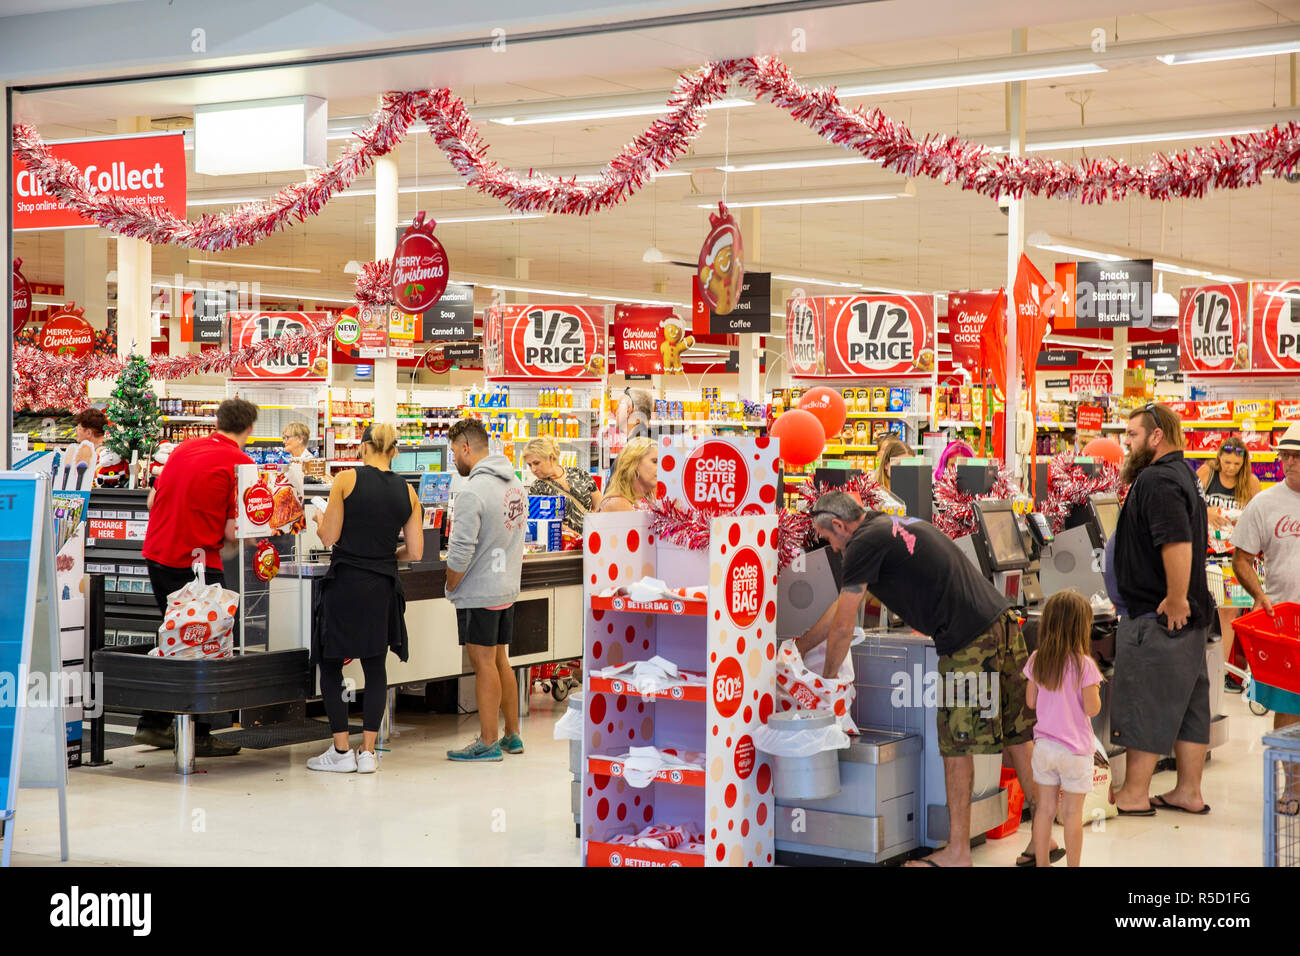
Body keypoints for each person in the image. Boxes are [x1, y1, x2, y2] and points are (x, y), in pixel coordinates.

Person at [799, 491, 1053, 867]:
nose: (833, 549)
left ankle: (958, 852)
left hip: (967, 640)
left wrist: (825, 684)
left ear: (839, 525)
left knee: (956, 746)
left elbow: (842, 628)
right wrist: (800, 646)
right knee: (1018, 735)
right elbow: (841, 605)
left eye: (829, 539)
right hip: (1002, 623)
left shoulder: (861, 544)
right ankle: (1042, 841)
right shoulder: (886, 525)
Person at [137, 397, 260, 757]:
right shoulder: (241, 463)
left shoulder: (182, 450)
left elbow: (150, 502)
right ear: (250, 429)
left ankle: (155, 724)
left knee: (175, 639)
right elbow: (235, 530)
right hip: (196, 564)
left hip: (157, 554)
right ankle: (200, 734)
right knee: (206, 644)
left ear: (218, 421)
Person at [1112, 402, 1213, 816]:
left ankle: (1135, 793)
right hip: (1187, 619)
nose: (1127, 443)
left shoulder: (1156, 479)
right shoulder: (1183, 474)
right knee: (1189, 704)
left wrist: (1174, 598)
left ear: (1156, 436)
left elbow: (1176, 542)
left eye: (1133, 435)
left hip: (1161, 615)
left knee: (1147, 699)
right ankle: (1188, 790)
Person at [307, 424, 423, 773]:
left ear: (363, 447)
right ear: (394, 451)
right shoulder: (408, 492)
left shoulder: (346, 479)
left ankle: (341, 752)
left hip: (346, 583)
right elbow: (415, 551)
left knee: (331, 663)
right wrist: (386, 558)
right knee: (375, 667)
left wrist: (318, 516)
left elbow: (329, 536)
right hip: (382, 587)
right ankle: (369, 752)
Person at [444, 418, 527, 762]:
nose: (454, 461)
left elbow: (461, 550)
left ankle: (488, 742)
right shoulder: (515, 483)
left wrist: (450, 584)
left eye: (453, 453)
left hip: (479, 589)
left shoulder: (472, 492)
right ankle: (512, 735)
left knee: (483, 663)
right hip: (506, 585)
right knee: (501, 659)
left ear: (466, 448)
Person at [1231, 422, 1300, 801]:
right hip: (1284, 627)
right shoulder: (1265, 504)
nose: (1288, 461)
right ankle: (1291, 790)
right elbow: (1241, 557)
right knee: (1289, 710)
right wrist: (1258, 594)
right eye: (1284, 454)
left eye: (1296, 455)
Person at [1023, 591, 1103, 867]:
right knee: (1071, 815)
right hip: (1076, 752)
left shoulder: (1037, 660)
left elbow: (1031, 702)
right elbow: (1092, 709)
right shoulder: (1085, 666)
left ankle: (1042, 863)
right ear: (1081, 627)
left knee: (1043, 811)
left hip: (1044, 748)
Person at [1196, 436, 1262, 691]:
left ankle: (1223, 671)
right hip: (1206, 554)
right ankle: (1201, 669)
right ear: (1219, 457)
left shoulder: (1251, 482)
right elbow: (1189, 503)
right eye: (1227, 462)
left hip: (1234, 558)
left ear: (1244, 463)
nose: (1231, 468)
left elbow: (1258, 515)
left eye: (1236, 463)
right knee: (1203, 610)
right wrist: (1207, 510)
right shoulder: (1206, 473)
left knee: (1229, 614)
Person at [522, 435, 602, 536]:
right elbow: (547, 524)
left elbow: (600, 504)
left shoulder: (578, 473)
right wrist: (578, 538)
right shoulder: (536, 489)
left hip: (593, 540)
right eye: (530, 465)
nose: (533, 469)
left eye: (536, 463)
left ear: (550, 457)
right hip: (565, 544)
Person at [597, 436, 658, 513]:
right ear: (635, 464)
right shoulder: (619, 504)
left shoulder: (647, 500)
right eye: (655, 461)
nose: (660, 467)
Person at [64, 407, 108, 490]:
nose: (76, 431)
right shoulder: (108, 447)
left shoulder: (101, 454)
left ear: (89, 433)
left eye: (79, 428)